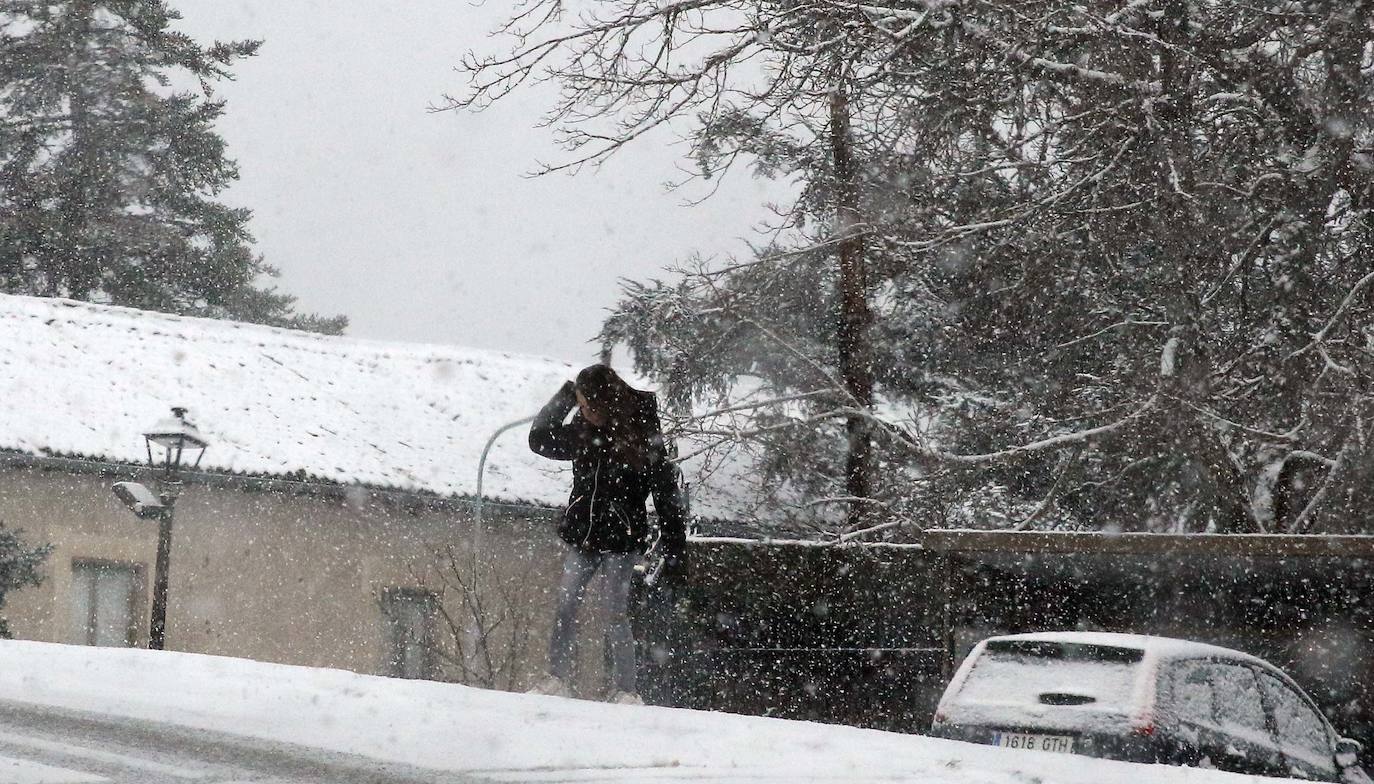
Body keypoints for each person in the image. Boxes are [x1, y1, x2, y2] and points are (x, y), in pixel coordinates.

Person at [526, 364, 687, 704]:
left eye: (588, 406)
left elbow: (665, 492)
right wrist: (565, 396)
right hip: (583, 535)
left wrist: (675, 546)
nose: (584, 413)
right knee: (566, 605)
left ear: (608, 402)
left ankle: (625, 691)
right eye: (581, 407)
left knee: (614, 613)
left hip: (622, 539)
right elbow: (538, 439)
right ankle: (557, 678)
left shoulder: (642, 433)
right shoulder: (583, 430)